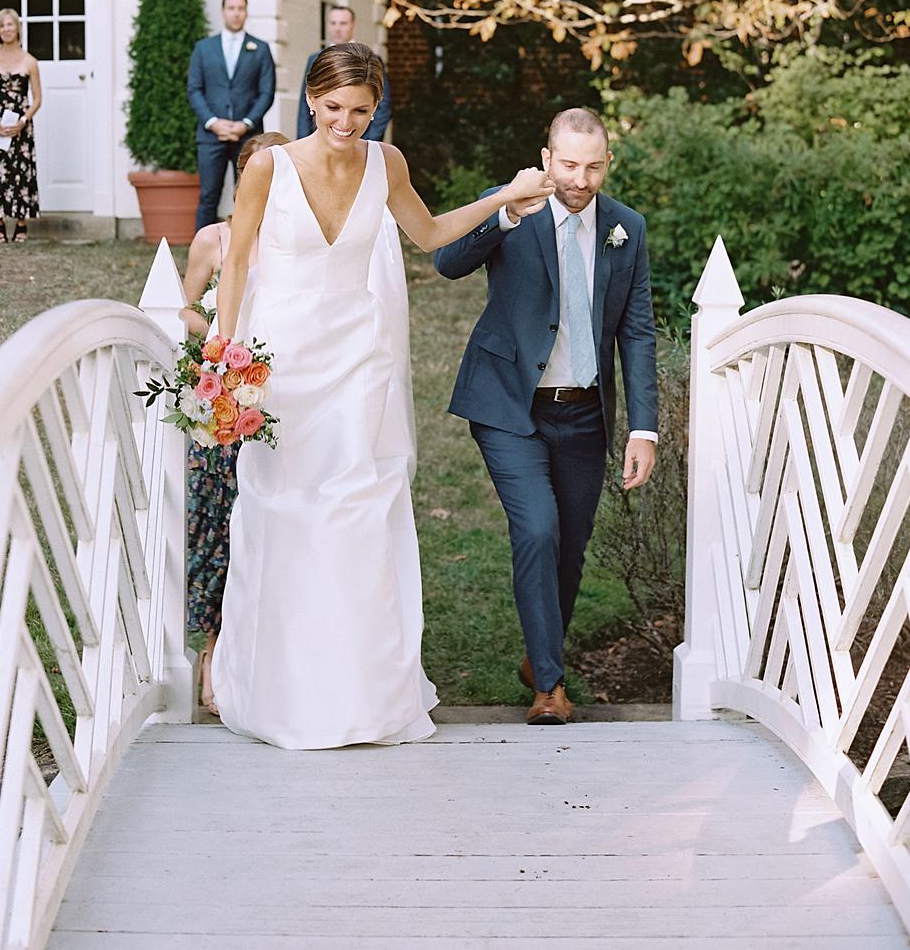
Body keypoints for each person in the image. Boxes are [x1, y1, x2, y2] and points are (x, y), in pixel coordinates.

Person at [210, 42, 553, 750]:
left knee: (360, 514)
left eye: (361, 111)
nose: (346, 122)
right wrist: (225, 359)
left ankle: (363, 693)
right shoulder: (268, 168)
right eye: (334, 107)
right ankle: (283, 692)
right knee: (286, 514)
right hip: (282, 367)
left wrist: (505, 199)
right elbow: (237, 261)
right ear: (310, 99)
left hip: (361, 360)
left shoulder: (385, 163)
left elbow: (428, 235)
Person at [434, 108, 658, 725]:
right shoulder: (512, 205)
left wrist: (644, 426)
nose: (578, 180)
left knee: (569, 548)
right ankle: (550, 690)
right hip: (509, 405)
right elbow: (446, 262)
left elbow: (636, 331)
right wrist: (506, 210)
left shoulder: (626, 228)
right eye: (567, 165)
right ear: (546, 157)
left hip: (585, 414)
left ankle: (540, 655)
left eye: (591, 167)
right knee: (536, 529)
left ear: (607, 163)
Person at [179, 130, 289, 713]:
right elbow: (182, 304)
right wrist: (213, 338)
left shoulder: (302, 238)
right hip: (229, 403)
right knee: (221, 528)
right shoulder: (214, 238)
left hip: (289, 399)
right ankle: (214, 651)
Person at [187, 0, 276, 232]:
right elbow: (194, 89)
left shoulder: (260, 48)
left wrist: (245, 123)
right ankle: (203, 252)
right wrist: (213, 122)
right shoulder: (203, 48)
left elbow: (267, 92)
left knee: (248, 193)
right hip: (210, 136)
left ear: (246, 13)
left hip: (248, 136)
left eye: (241, 8)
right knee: (208, 195)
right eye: (231, 8)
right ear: (223, 11)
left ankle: (248, 249)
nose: (236, 13)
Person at [0, 8, 42, 243]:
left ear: (18, 29)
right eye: (2, 25)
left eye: (10, 25)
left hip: (20, 128)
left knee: (20, 173)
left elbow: (37, 99)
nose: (6, 29)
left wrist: (22, 121)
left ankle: (21, 224)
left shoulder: (30, 61)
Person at [296, 5, 392, 140]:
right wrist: (303, 140)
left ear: (353, 25)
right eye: (333, 23)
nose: (337, 28)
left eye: (343, 23)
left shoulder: (371, 60)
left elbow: (383, 104)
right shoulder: (315, 59)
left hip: (360, 139)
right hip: (320, 141)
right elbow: (304, 106)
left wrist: (369, 142)